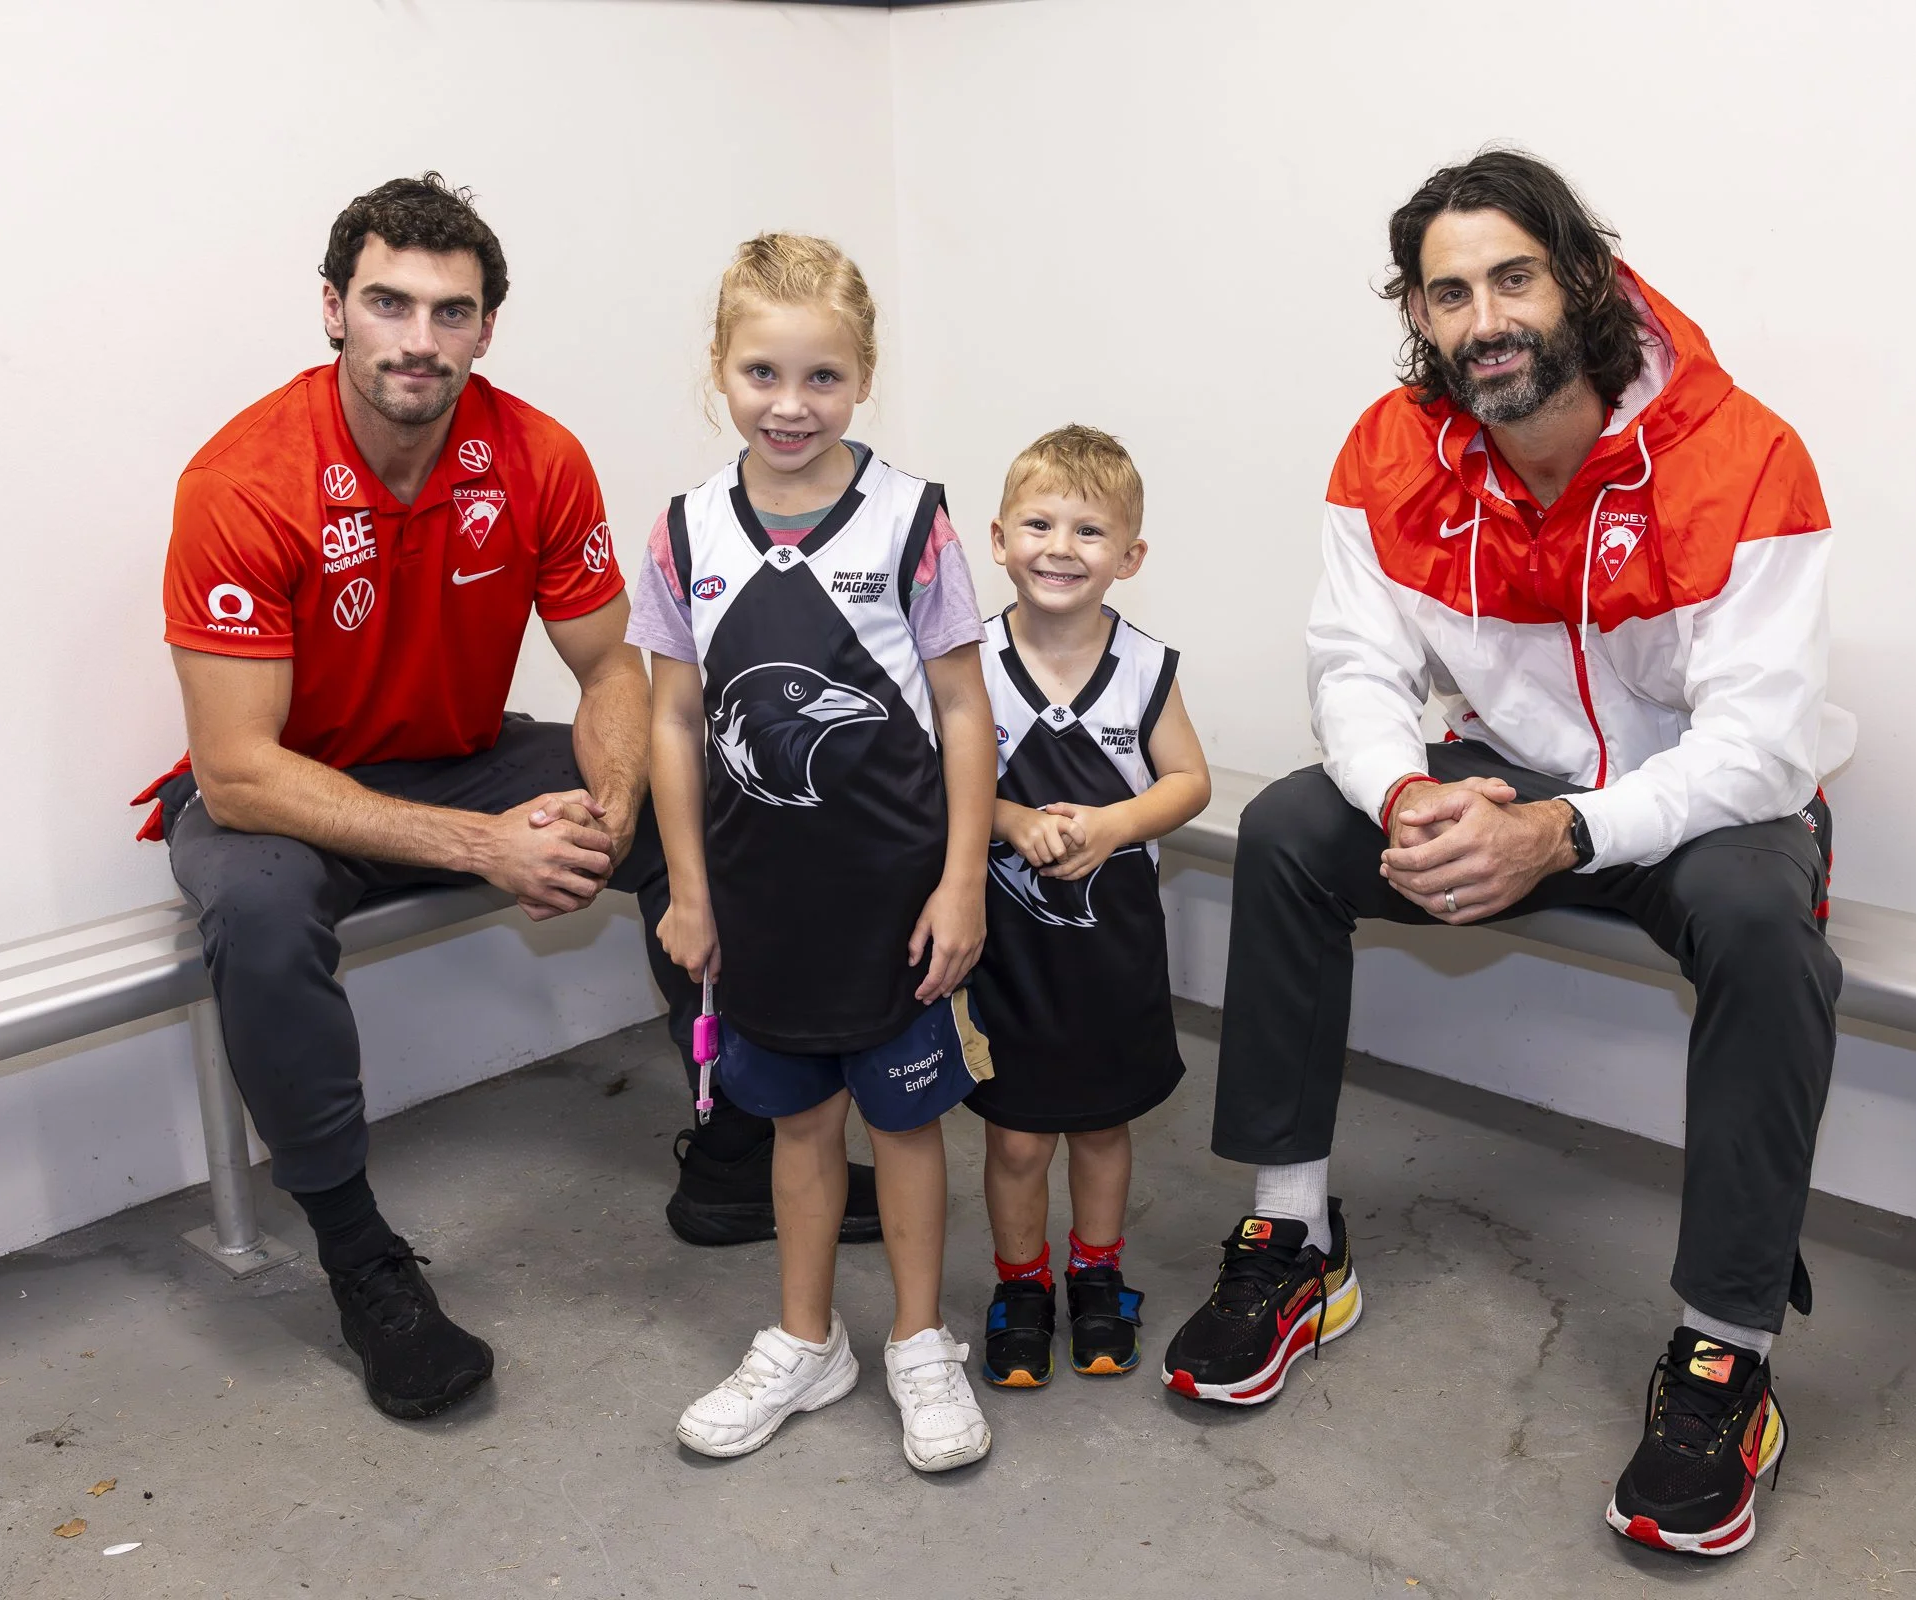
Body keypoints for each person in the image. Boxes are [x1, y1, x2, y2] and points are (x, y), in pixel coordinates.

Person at [1160, 150, 1849, 1558]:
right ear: (1421, 315)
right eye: (1449, 292)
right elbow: (1355, 665)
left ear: (1581, 277)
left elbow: (1766, 748)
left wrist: (1562, 832)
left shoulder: (1745, 453)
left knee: (1772, 937)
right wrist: (1409, 796)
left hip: (1697, 801)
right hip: (1503, 773)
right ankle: (1295, 1240)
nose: (1486, 319)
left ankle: (1725, 1359)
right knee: (1297, 826)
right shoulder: (1392, 447)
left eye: (1514, 277)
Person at [138, 175, 879, 1424]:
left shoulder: (533, 453)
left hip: (469, 752)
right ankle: (360, 1257)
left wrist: (602, 802)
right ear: (334, 310)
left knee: (695, 788)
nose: (418, 338)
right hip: (288, 794)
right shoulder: (244, 481)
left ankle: (735, 1145)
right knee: (257, 923)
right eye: (388, 303)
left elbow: (611, 671)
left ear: (486, 327)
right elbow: (235, 768)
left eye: (450, 311)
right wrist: (485, 845)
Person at [634, 234, 1000, 1472]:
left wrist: (960, 883)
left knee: (903, 1130)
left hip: (896, 907)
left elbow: (961, 708)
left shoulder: (912, 521)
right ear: (719, 374)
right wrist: (687, 888)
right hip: (760, 911)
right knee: (799, 1132)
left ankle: (913, 1339)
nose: (790, 406)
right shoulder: (684, 531)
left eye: (822, 378)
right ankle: (804, 1340)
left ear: (863, 375)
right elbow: (673, 716)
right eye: (762, 374)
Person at [967, 426, 1209, 1389]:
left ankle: (1098, 1278)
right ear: (997, 538)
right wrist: (1014, 818)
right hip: (1007, 956)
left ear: (1129, 556)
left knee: (1104, 1129)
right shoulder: (967, 661)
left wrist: (1114, 826)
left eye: (1089, 530)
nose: (1060, 547)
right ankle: (1020, 1286)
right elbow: (936, 787)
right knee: (1017, 1135)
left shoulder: (1147, 669)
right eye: (1038, 522)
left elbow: (1187, 782)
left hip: (1112, 954)